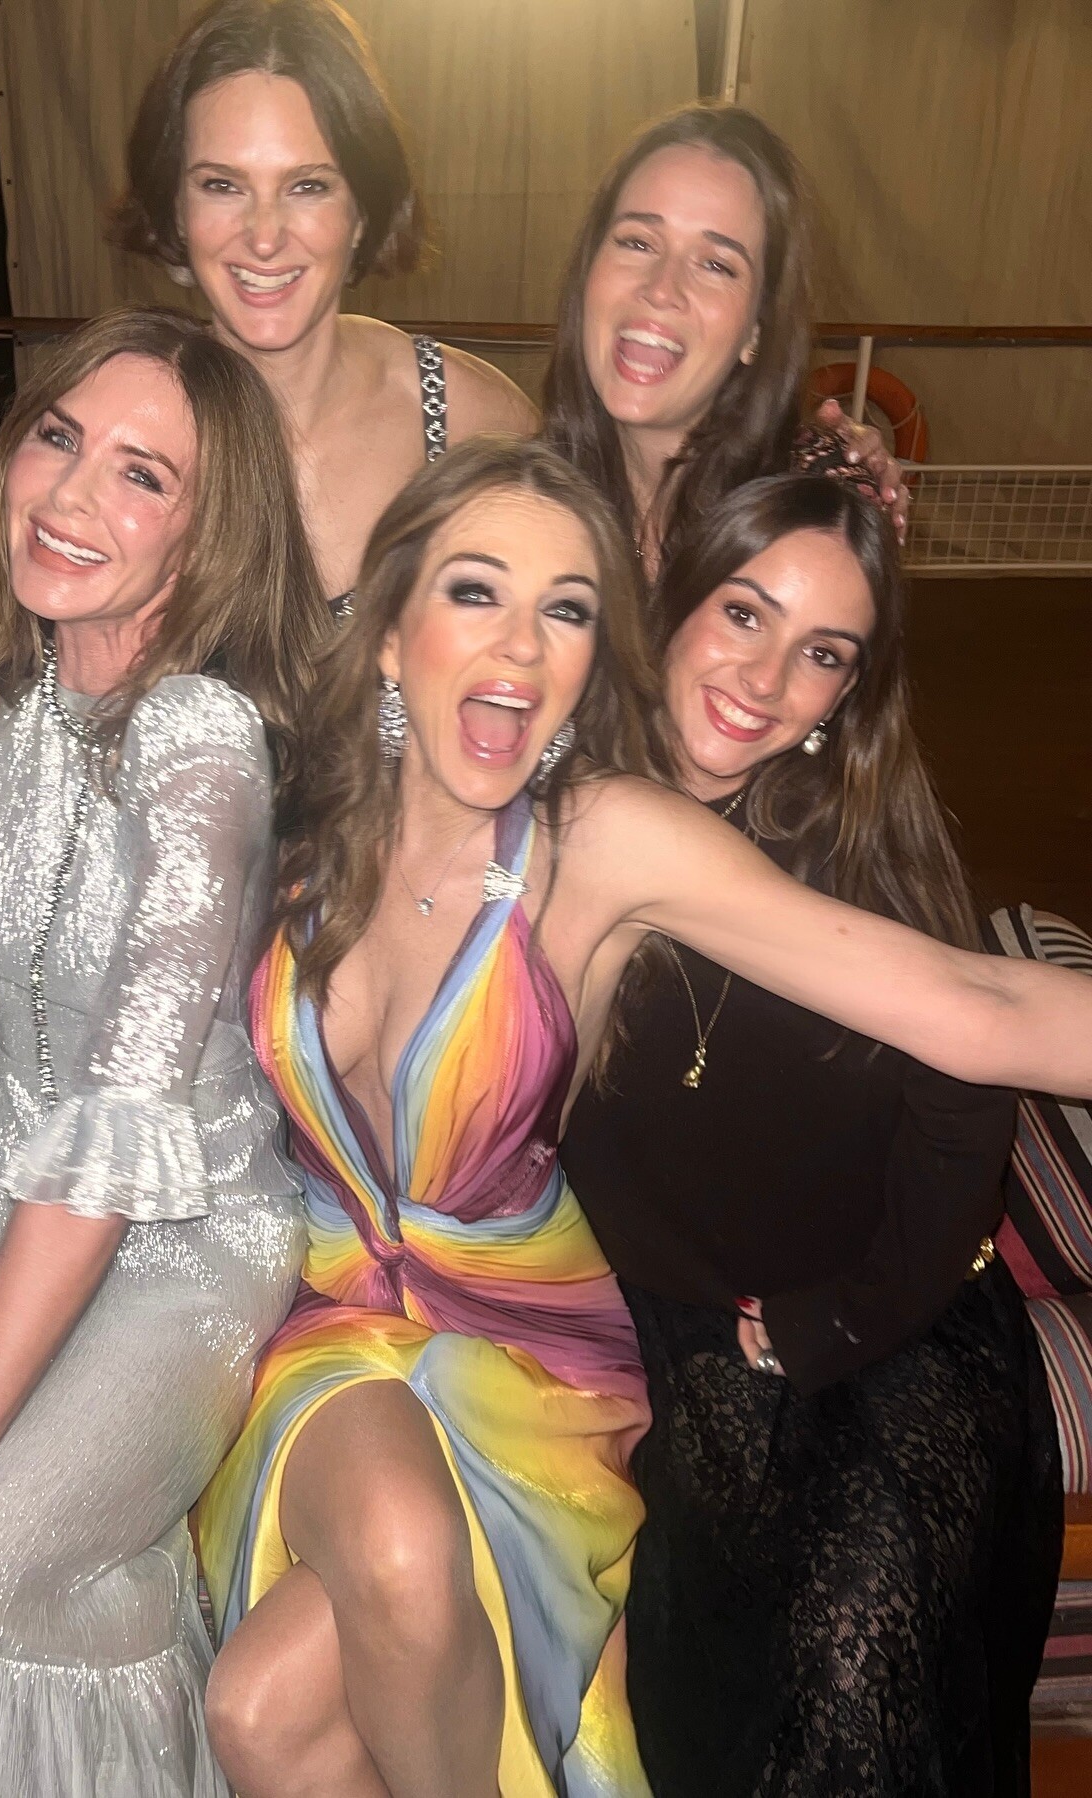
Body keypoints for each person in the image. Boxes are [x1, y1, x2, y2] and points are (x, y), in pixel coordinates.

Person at [196, 437, 1092, 1798]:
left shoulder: (599, 836)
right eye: (476, 590)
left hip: (531, 1339)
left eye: (564, 609)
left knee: (391, 1568)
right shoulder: (281, 812)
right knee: (260, 1713)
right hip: (334, 1315)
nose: (520, 643)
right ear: (385, 628)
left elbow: (978, 1005)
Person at [0, 308, 328, 1796]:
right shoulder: (25, 703)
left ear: (210, 534)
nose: (73, 492)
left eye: (144, 475)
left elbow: (119, 1118)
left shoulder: (199, 742)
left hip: (170, 1247)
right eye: (58, 438)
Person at [558, 473, 1062, 1796]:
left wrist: (839, 1319)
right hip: (677, 1323)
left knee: (857, 1643)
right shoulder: (556, 801)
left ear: (847, 693)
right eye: (744, 612)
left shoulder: (865, 848)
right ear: (672, 601)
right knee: (718, 1664)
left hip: (895, 1305)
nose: (767, 678)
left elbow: (968, 1107)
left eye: (824, 652)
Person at [115, 0, 538, 603]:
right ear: (176, 210)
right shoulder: (114, 428)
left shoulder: (470, 420)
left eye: (308, 186)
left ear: (363, 212)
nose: (265, 237)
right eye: (222, 185)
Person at [544, 104, 909, 581]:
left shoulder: (812, 515)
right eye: (637, 242)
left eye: (716, 265)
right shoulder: (531, 496)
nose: (661, 289)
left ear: (757, 329)